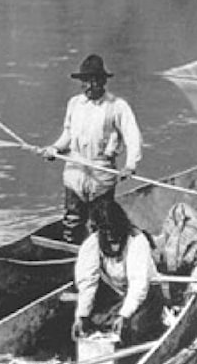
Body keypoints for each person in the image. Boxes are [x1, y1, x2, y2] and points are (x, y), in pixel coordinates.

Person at [41, 54, 142, 244]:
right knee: (72, 220)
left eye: (94, 81)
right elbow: (68, 135)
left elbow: (133, 137)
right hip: (75, 170)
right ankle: (72, 258)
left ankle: (102, 255)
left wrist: (130, 165)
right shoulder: (75, 104)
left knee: (102, 222)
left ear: (103, 82)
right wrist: (54, 148)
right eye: (85, 81)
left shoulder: (117, 106)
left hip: (101, 172)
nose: (89, 86)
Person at [71, 200, 161, 344]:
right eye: (105, 230)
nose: (110, 235)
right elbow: (88, 283)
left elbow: (139, 284)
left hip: (147, 293)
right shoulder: (93, 243)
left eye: (114, 229)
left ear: (122, 224)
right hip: (118, 291)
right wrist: (81, 315)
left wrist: (124, 315)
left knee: (134, 329)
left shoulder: (137, 241)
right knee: (93, 322)